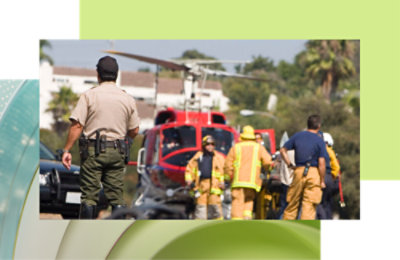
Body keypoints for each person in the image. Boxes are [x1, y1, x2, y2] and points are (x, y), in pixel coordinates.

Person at [61, 56, 140, 219]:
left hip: (93, 152)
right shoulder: (127, 98)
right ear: (116, 75)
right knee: (116, 196)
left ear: (98, 74)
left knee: (89, 197)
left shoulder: (89, 96)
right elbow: (135, 129)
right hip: (118, 151)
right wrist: (127, 142)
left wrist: (67, 149)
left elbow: (77, 125)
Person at [280, 115, 327, 220]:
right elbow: (322, 162)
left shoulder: (297, 136)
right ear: (319, 126)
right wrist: (322, 180)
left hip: (298, 171)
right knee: (309, 204)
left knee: (292, 202)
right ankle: (305, 230)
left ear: (308, 124)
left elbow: (282, 150)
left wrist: (289, 164)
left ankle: (287, 228)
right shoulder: (320, 140)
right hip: (314, 173)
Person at [224, 125, 272, 220]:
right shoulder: (259, 148)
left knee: (237, 202)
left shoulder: (236, 147)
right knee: (249, 201)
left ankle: (237, 225)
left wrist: (228, 178)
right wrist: (267, 171)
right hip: (252, 182)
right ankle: (247, 220)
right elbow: (268, 162)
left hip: (238, 181)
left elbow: (227, 165)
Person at [185, 135, 225, 219]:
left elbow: (224, 172)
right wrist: (189, 181)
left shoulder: (219, 158)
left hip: (215, 187)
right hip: (201, 187)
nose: (210, 146)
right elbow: (189, 169)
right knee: (201, 211)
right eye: (208, 144)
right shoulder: (197, 157)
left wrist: (223, 183)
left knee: (215, 211)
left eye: (212, 144)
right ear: (203, 145)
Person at [317, 132, 340, 219]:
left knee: (319, 204)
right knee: (328, 205)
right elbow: (336, 167)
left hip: (321, 179)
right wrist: (332, 177)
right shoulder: (331, 151)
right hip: (330, 181)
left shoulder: (319, 150)